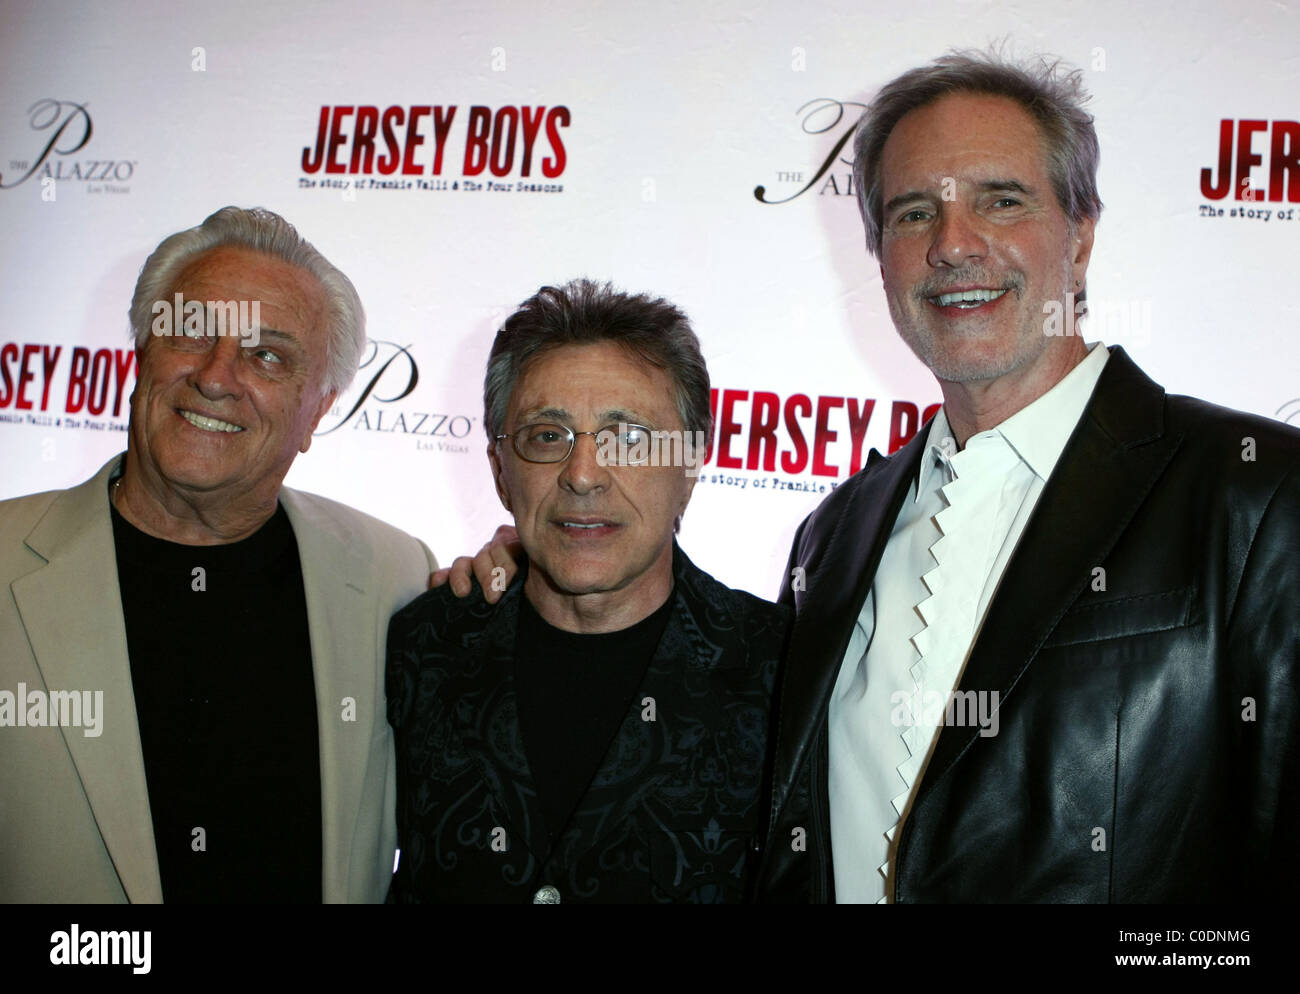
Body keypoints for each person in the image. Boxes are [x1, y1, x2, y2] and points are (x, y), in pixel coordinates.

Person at [448, 51, 1299, 903]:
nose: (954, 244)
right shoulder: (837, 530)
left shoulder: (1254, 496)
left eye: (1001, 200)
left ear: (1080, 236)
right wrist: (532, 579)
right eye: (913, 213)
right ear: (880, 256)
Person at [0, 206, 437, 903]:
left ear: (317, 412)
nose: (215, 375)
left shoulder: (398, 577)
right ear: (140, 354)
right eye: (191, 333)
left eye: (268, 355)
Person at [387, 279, 789, 903]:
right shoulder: (419, 646)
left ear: (691, 464)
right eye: (548, 437)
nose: (582, 475)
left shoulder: (787, 672)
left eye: (627, 438)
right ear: (499, 470)